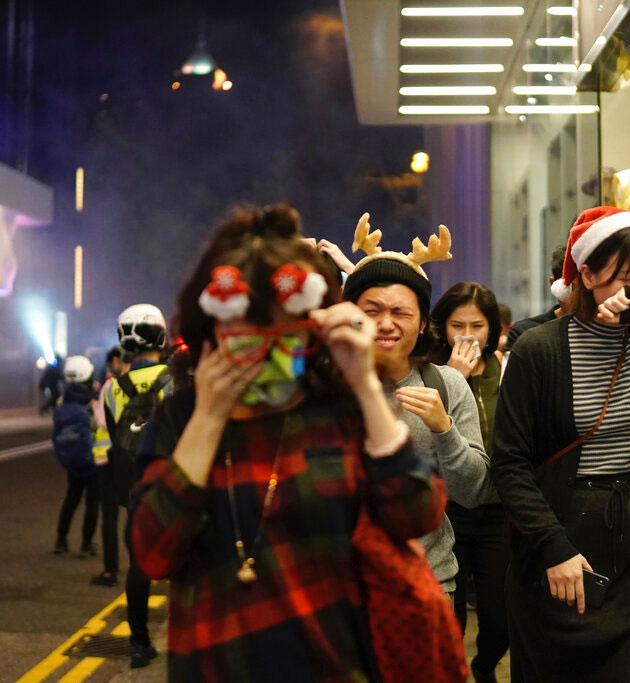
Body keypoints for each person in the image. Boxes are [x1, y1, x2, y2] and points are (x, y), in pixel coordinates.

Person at [129, 204, 455, 681]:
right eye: (247, 327)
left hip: (335, 664)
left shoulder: (337, 409)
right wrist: (208, 416)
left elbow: (417, 512)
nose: (264, 346)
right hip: (215, 664)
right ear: (212, 329)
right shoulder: (181, 419)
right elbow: (153, 553)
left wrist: (364, 384)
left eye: (283, 328)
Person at [491, 206, 630, 682]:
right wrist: (554, 548)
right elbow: (510, 463)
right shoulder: (538, 348)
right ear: (585, 274)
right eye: (626, 276)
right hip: (563, 542)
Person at [343, 214, 491, 599]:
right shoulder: (329, 386)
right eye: (372, 311)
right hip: (342, 587)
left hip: (428, 582)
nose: (386, 324)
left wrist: (444, 429)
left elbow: (473, 492)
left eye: (401, 313)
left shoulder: (447, 384)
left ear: (423, 323)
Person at [429, 282, 509, 683]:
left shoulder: (507, 368)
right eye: (456, 325)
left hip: (498, 510)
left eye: (476, 325)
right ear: (441, 327)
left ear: (492, 328)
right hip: (448, 511)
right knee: (451, 615)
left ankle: (485, 665)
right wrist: (453, 379)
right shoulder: (431, 372)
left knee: (499, 617)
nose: (466, 335)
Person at [91, 303, 170, 670]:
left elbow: (108, 436)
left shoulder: (109, 388)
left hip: (135, 490)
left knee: (138, 567)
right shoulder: (176, 378)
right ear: (159, 334)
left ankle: (139, 644)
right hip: (173, 486)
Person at [51, 355, 100, 557]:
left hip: (73, 459)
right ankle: (86, 544)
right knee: (92, 503)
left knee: (71, 498)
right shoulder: (92, 401)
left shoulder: (62, 400)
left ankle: (61, 540)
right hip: (92, 458)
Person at [505, 245, 566, 351]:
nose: (579, 296)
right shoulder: (523, 333)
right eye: (571, 287)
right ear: (553, 284)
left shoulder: (601, 330)